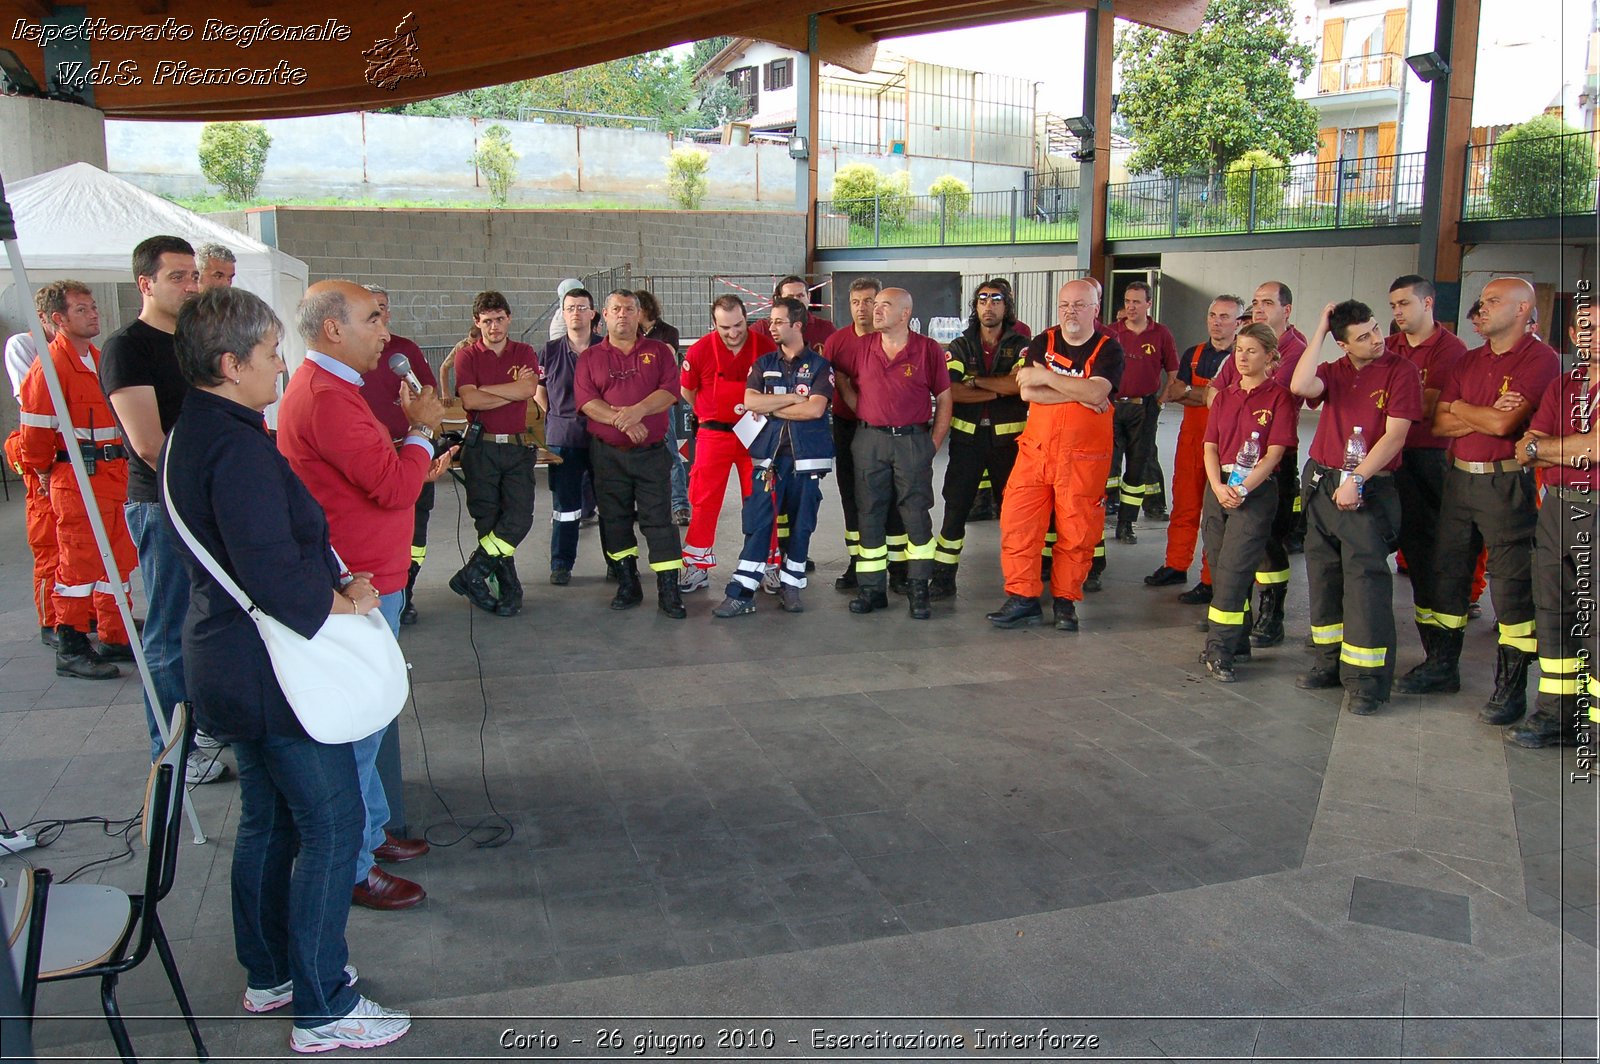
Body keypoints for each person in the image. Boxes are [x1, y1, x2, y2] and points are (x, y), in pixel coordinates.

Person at [163, 286, 412, 1054]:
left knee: (271, 825)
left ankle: (271, 972)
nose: (282, 363)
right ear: (231, 364)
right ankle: (324, 1003)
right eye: (271, 352)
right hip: (271, 674)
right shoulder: (235, 446)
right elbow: (271, 574)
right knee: (333, 829)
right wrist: (344, 598)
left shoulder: (199, 429)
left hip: (228, 665)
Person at [280, 279, 450, 912]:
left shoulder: (340, 392)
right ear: (333, 330)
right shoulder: (327, 397)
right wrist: (422, 434)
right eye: (374, 318)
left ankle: (373, 835)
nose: (387, 331)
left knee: (373, 718)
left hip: (372, 576)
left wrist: (410, 448)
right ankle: (351, 867)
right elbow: (389, 488)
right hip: (356, 586)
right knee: (356, 730)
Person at [1398, 277, 1561, 725]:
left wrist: (1466, 411)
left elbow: (1505, 427)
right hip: (1458, 482)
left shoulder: (1540, 359)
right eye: (1483, 301)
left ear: (1524, 309)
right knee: (1447, 573)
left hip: (1504, 487)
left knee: (1511, 587)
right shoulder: (1471, 360)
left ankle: (1509, 692)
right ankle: (1440, 667)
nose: (1482, 308)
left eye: (1493, 302)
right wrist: (1481, 414)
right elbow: (1440, 423)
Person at [98, 235, 218, 783]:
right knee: (170, 633)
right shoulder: (129, 347)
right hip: (163, 504)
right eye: (178, 277)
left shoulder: (196, 341)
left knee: (213, 621)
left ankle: (206, 723)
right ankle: (172, 749)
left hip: (208, 499)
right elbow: (149, 442)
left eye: (194, 276)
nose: (191, 286)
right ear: (145, 283)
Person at [1290, 300, 1423, 715]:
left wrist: (1357, 478)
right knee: (1324, 575)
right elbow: (1299, 385)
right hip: (1323, 482)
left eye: (1375, 329)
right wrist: (1319, 329)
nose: (1376, 339)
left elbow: (1396, 436)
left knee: (1365, 582)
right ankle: (1329, 662)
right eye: (1362, 336)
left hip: (1368, 485)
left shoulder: (1400, 371)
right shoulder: (1334, 371)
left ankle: (1366, 681)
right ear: (1343, 344)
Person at [986, 279, 1124, 632]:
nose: (1070, 311)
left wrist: (1047, 375)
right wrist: (1080, 391)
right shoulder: (1043, 341)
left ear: (1096, 308)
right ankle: (1023, 598)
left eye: (1079, 304)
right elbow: (1029, 393)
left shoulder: (1110, 349)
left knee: (1078, 533)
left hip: (1083, 459)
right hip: (1036, 452)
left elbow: (1098, 392)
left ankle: (1066, 602)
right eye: (1064, 305)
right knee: (1017, 525)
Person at [17, 281, 138, 678]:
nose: (93, 313)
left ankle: (114, 634)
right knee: (78, 566)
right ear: (58, 319)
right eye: (82, 309)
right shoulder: (49, 369)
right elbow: (34, 437)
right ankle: (70, 642)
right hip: (77, 479)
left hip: (112, 477)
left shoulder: (98, 360)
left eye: (91, 307)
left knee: (117, 561)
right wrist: (46, 473)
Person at [831, 287, 952, 619]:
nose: (876, 310)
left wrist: (932, 444)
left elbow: (944, 399)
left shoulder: (927, 350)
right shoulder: (862, 347)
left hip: (912, 441)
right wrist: (865, 413)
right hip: (869, 441)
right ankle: (872, 590)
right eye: (876, 305)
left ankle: (918, 590)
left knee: (915, 515)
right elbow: (840, 375)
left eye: (885, 305)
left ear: (905, 314)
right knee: (868, 513)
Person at [712, 296, 835, 617]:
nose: (771, 326)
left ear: (797, 325)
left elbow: (816, 409)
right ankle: (741, 592)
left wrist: (776, 404)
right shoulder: (764, 364)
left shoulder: (821, 366)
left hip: (806, 460)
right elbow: (751, 402)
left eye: (779, 321)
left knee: (802, 524)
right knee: (758, 522)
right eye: (771, 321)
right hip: (767, 459)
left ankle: (791, 585)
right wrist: (794, 397)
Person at [1508, 304, 1596, 747]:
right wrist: (1557, 447)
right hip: (1558, 507)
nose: (1593, 335)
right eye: (1586, 327)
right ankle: (1555, 715)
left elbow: (1596, 448)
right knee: (1554, 612)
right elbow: (1525, 448)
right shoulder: (1565, 386)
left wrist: (1548, 447)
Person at [1206, 282, 1309, 645]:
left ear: (1287, 309)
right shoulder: (1242, 348)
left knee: (1267, 541)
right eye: (1256, 302)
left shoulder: (1296, 349)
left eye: (1268, 302)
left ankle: (1271, 611)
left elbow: (1279, 393)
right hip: (1231, 454)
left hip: (1272, 458)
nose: (1260, 307)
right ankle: (1236, 614)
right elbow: (1216, 391)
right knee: (1227, 549)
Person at [575, 290, 687, 618]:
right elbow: (585, 400)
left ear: (639, 315)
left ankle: (669, 589)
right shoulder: (590, 358)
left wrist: (636, 412)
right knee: (614, 519)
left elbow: (670, 392)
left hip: (652, 454)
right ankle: (628, 582)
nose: (622, 315)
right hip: (607, 454)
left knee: (659, 520)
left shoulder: (660, 352)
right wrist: (622, 422)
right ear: (604, 316)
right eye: (616, 310)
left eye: (629, 309)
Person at [1198, 324, 1297, 681]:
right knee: (1219, 561)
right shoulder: (1224, 396)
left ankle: (1219, 648)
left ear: (1270, 357)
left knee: (1236, 570)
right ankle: (1238, 641)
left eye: (1251, 351)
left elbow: (1274, 454)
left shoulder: (1278, 398)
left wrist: (1243, 489)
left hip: (1254, 492)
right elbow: (1210, 445)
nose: (1242, 357)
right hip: (1219, 487)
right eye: (1239, 350)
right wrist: (1217, 485)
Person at [1383, 275, 1469, 681]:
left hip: (1427, 461)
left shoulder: (1452, 350)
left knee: (1428, 558)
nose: (1397, 312)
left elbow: (1436, 407)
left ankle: (1440, 659)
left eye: (1404, 304)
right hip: (1388, 457)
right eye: (1393, 306)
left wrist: (1394, 398)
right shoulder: (1390, 345)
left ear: (1429, 302)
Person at [930, 279, 1029, 600]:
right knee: (955, 508)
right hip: (967, 442)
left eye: (996, 299)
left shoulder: (1022, 344)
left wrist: (976, 382)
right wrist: (996, 387)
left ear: (1006, 306)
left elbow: (1020, 386)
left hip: (1009, 444)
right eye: (983, 299)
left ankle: (1020, 580)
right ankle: (944, 576)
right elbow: (952, 390)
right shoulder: (960, 345)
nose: (989, 305)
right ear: (975, 307)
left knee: (1014, 514)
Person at [451, 291, 545, 617]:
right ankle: (509, 587)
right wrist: (509, 391)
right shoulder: (467, 356)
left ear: (509, 318)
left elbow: (528, 390)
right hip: (483, 448)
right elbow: (470, 401)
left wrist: (485, 391)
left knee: (519, 518)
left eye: (499, 319)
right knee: (488, 520)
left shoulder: (524, 352)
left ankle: (472, 572)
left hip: (517, 448)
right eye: (487, 321)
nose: (494, 326)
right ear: (477, 322)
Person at [1146, 295, 1243, 603]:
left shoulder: (1243, 356)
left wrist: (1193, 392)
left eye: (1225, 317)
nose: (1217, 321)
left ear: (1239, 323)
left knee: (1217, 514)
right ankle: (1175, 564)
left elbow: (1229, 399)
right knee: (1184, 504)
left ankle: (1210, 578)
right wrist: (1204, 394)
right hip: (1190, 440)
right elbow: (1176, 393)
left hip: (1226, 444)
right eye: (1213, 315)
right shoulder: (1193, 354)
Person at [678, 295, 774, 592]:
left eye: (739, 325)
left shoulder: (765, 347)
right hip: (713, 435)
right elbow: (687, 391)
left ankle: (766, 564)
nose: (733, 333)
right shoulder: (699, 351)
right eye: (725, 327)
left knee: (761, 499)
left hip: (755, 434)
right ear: (714, 324)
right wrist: (712, 413)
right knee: (704, 501)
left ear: (747, 319)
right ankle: (696, 564)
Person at [357, 284, 440, 625]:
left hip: (409, 449)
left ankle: (406, 591)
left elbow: (428, 395)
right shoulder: (350, 360)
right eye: (370, 312)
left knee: (414, 532)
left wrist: (420, 428)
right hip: (370, 456)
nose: (379, 319)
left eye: (382, 310)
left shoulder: (405, 351)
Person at [821, 277, 905, 591]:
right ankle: (858, 563)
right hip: (847, 427)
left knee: (893, 495)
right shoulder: (837, 342)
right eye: (855, 302)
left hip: (887, 430)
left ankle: (899, 568)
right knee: (851, 495)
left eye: (869, 301)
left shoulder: (894, 339)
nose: (862, 309)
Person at [6, 287, 61, 647]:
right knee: (49, 547)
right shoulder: (24, 347)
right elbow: (37, 401)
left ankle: (86, 614)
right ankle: (52, 622)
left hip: (69, 460)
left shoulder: (77, 352)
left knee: (78, 549)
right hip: (44, 456)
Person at [541, 286, 602, 585]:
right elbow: (539, 392)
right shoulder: (550, 352)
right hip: (563, 438)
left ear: (592, 313)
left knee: (611, 502)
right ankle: (561, 564)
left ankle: (619, 563)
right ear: (563, 314)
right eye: (570, 308)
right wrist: (557, 414)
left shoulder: (608, 349)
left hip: (602, 437)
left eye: (581, 307)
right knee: (565, 507)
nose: (576, 313)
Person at [1109, 281, 1177, 540]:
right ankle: (1107, 510)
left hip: (1144, 408)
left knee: (1138, 467)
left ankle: (1126, 523)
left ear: (1149, 304)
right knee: (1108, 465)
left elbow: (1173, 373)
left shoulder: (1161, 334)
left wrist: (1160, 402)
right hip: (1113, 407)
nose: (1131, 307)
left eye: (1137, 301)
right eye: (1127, 301)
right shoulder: (1111, 332)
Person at [635, 290, 689, 525]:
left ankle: (680, 504)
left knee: (670, 451)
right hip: (635, 400)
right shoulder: (630, 333)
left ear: (644, 309)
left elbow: (666, 360)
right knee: (636, 452)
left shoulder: (668, 332)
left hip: (662, 399)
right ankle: (641, 504)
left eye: (633, 309)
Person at [750, 275, 838, 350]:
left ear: (809, 297)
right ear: (779, 299)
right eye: (790, 297)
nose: (796, 301)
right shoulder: (762, 329)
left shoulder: (826, 329)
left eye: (800, 296)